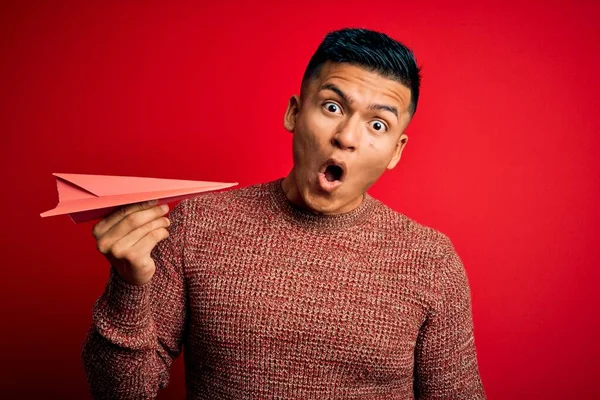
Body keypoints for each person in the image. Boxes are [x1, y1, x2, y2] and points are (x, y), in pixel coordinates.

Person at [81, 28, 486, 399]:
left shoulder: (431, 260)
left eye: (377, 125)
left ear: (396, 151)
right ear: (294, 113)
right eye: (331, 106)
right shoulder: (197, 225)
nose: (346, 137)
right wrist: (128, 285)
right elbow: (124, 392)